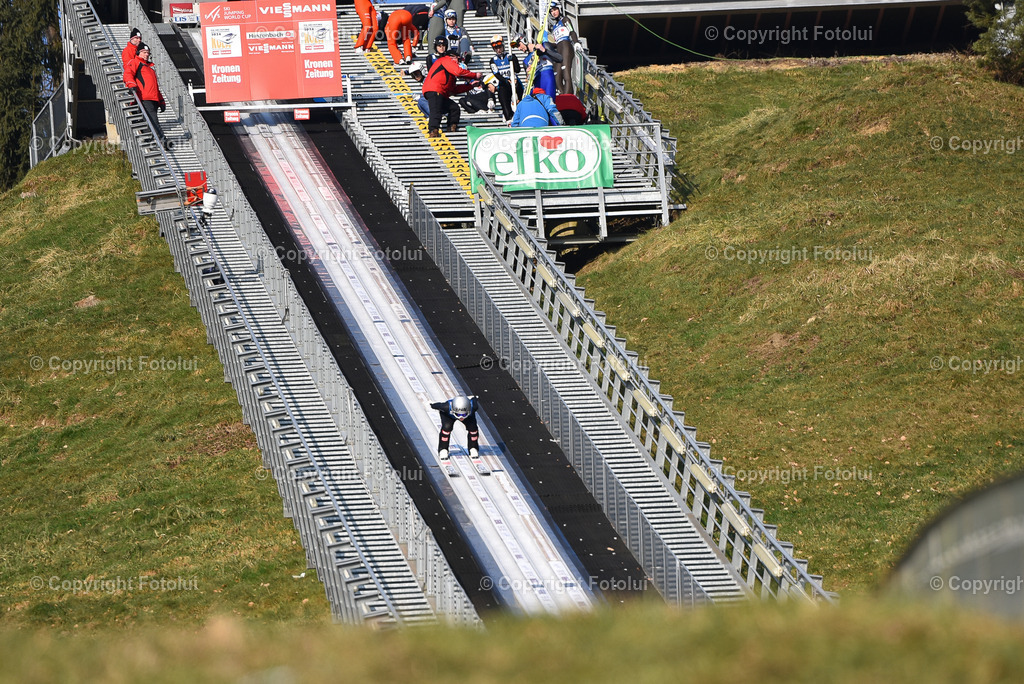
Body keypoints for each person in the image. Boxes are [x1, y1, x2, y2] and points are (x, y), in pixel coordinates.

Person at [422, 35, 480, 137]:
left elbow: (454, 90)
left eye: (443, 45)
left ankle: (451, 127)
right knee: (436, 110)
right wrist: (475, 75)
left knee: (454, 108)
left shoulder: (449, 71)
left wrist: (470, 86)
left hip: (439, 91)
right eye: (455, 57)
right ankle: (433, 130)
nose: (456, 60)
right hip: (435, 89)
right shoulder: (445, 60)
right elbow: (458, 72)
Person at [123, 43, 168, 147]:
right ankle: (162, 139)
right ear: (138, 53)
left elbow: (155, 87)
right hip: (144, 97)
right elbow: (128, 74)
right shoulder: (135, 62)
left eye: (147, 53)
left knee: (148, 120)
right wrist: (131, 85)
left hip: (153, 98)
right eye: (144, 52)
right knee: (153, 119)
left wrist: (161, 101)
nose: (146, 55)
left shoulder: (150, 68)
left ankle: (151, 141)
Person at [429, 395, 479, 460]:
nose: (461, 417)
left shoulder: (473, 407)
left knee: (473, 429)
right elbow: (438, 405)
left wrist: (474, 398)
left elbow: (474, 399)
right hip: (449, 416)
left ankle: (473, 447)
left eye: (464, 414)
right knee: (446, 428)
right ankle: (443, 449)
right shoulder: (446, 407)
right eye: (458, 414)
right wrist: (432, 405)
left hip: (469, 416)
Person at [548, 2, 580, 95]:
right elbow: (557, 42)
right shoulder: (554, 26)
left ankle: (569, 97)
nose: (553, 13)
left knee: (566, 75)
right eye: (552, 11)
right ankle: (563, 96)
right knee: (557, 77)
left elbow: (571, 31)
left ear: (559, 9)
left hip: (566, 47)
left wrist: (576, 42)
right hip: (558, 49)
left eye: (555, 10)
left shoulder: (565, 20)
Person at [489, 35, 523, 121]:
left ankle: (521, 115)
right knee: (503, 99)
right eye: (496, 48)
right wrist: (505, 80)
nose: (498, 50)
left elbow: (518, 70)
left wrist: (514, 60)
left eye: (500, 47)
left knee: (520, 97)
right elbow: (496, 74)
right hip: (504, 83)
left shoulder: (510, 56)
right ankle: (508, 117)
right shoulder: (493, 60)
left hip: (514, 81)